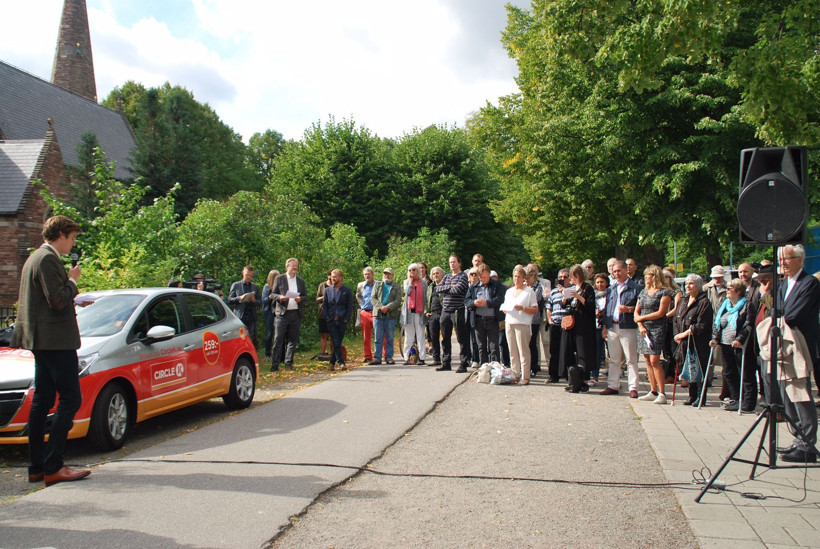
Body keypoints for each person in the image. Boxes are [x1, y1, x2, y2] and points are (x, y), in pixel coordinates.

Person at [11, 215, 91, 486]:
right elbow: (57, 300)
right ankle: (53, 465)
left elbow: (46, 301)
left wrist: (73, 299)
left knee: (42, 400)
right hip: (55, 341)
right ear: (61, 235)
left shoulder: (35, 257)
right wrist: (72, 281)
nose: (73, 243)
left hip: (42, 339)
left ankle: (36, 467)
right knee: (71, 398)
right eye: (72, 238)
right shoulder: (47, 259)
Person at [772, 245, 819, 463]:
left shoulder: (809, 283)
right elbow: (775, 311)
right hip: (783, 346)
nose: (782, 263)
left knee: (800, 393)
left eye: (786, 259)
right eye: (780, 259)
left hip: (801, 345)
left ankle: (808, 444)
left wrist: (778, 319)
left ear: (799, 259)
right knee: (786, 394)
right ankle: (797, 438)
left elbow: (792, 315)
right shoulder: (783, 284)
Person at [710, 278, 756, 412]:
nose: (726, 291)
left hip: (741, 345)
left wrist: (740, 339)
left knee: (746, 373)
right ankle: (735, 398)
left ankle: (748, 402)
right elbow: (717, 322)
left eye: (729, 289)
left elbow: (748, 324)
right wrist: (715, 338)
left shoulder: (747, 305)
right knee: (729, 373)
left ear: (738, 291)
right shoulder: (725, 304)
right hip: (725, 343)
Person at [601, 260, 641, 397]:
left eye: (619, 270)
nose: (616, 274)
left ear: (626, 270)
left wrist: (629, 309)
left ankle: (633, 387)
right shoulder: (611, 289)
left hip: (628, 327)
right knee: (613, 359)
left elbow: (641, 309)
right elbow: (607, 309)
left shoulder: (635, 288)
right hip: (613, 327)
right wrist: (605, 327)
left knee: (631, 359)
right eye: (614, 271)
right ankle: (613, 385)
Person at [672, 274, 714, 406]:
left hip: (698, 341)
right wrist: (677, 335)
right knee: (688, 366)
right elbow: (676, 319)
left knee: (699, 367)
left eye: (691, 284)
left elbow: (702, 324)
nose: (688, 286)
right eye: (686, 283)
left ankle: (701, 396)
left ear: (698, 285)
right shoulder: (683, 300)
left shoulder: (704, 302)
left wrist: (684, 334)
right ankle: (692, 394)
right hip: (683, 341)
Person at [634, 265, 674, 404]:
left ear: (655, 276)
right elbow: (636, 311)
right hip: (644, 329)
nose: (646, 278)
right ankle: (653, 390)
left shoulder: (665, 293)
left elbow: (661, 313)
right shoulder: (644, 292)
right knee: (647, 360)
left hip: (657, 327)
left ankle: (662, 393)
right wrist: (640, 325)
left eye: (648, 275)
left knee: (655, 360)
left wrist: (641, 319)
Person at [560, 264, 596, 392]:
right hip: (571, 324)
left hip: (584, 325)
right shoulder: (572, 288)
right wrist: (565, 295)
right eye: (572, 277)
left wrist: (578, 296)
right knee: (569, 351)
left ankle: (585, 380)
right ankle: (572, 380)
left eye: (575, 277)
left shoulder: (587, 288)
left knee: (583, 353)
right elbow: (563, 305)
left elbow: (591, 306)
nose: (573, 279)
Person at [501, 265, 538, 385]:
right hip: (509, 321)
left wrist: (522, 308)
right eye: (515, 276)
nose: (516, 279)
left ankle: (525, 376)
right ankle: (515, 373)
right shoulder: (509, 291)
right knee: (512, 350)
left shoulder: (529, 291)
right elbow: (506, 306)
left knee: (523, 351)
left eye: (519, 277)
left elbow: (535, 309)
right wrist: (505, 309)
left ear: (523, 278)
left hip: (523, 323)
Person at [435, 255, 471, 372]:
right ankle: (446, 362)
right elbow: (438, 289)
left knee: (461, 337)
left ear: (459, 263)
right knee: (445, 337)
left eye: (454, 262)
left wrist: (447, 288)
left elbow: (457, 290)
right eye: (450, 262)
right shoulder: (446, 276)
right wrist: (450, 286)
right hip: (445, 310)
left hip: (458, 310)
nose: (452, 264)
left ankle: (463, 363)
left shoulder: (463, 276)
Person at [271, 258, 307, 371]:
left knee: (292, 340)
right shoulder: (280, 278)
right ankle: (275, 364)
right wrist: (279, 297)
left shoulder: (300, 281)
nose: (295, 268)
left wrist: (300, 299)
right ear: (287, 267)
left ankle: (288, 363)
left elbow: (305, 296)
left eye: (296, 266)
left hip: (295, 313)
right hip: (282, 313)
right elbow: (272, 294)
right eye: (293, 266)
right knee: (278, 339)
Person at [465, 263, 503, 365]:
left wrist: (487, 302)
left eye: (485, 277)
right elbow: (467, 301)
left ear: (489, 274)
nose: (483, 279)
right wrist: (474, 303)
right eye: (481, 277)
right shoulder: (474, 287)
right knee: (481, 346)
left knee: (494, 346)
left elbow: (500, 299)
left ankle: (495, 369)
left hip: (492, 319)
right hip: (478, 320)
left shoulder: (497, 285)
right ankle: (483, 369)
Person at [323, 269, 353, 371]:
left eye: (335, 276)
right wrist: (327, 318)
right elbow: (325, 305)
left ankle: (332, 363)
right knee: (336, 341)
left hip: (342, 320)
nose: (332, 278)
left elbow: (349, 307)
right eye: (331, 276)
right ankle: (341, 362)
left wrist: (346, 319)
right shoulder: (327, 290)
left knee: (337, 342)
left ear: (340, 277)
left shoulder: (347, 291)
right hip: (331, 320)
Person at [370, 268, 401, 365]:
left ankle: (389, 357)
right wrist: (381, 307)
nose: (386, 275)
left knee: (390, 337)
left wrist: (388, 307)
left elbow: (398, 300)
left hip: (390, 314)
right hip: (378, 314)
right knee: (378, 337)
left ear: (392, 275)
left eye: (388, 274)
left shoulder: (396, 286)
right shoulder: (377, 284)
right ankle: (377, 358)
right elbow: (373, 298)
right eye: (385, 274)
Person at [545, 269, 570, 383]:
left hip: (567, 324)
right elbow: (548, 307)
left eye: (565, 277)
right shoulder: (553, 292)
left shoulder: (571, 290)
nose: (562, 279)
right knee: (553, 350)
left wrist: (564, 291)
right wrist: (549, 319)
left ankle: (567, 374)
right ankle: (553, 375)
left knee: (567, 350)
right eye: (560, 277)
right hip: (554, 323)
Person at [401, 263, 428, 364]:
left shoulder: (423, 283)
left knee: (420, 335)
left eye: (413, 270)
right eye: (409, 270)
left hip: (419, 312)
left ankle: (422, 358)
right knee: (409, 336)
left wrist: (425, 311)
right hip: (408, 312)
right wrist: (410, 283)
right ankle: (406, 357)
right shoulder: (406, 282)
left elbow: (425, 298)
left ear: (418, 271)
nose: (411, 272)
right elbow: (407, 293)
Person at [228, 266, 261, 343]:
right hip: (240, 316)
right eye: (247, 275)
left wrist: (254, 300)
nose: (248, 277)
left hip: (251, 316)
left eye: (250, 275)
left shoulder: (255, 287)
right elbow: (230, 300)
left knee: (250, 337)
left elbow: (260, 302)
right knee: (239, 337)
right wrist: (240, 298)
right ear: (243, 273)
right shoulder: (236, 285)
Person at [525, 265, 545, 377]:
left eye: (528, 277)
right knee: (525, 344)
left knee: (532, 344)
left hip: (534, 319)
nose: (526, 280)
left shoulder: (538, 287)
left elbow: (534, 300)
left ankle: (534, 367)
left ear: (534, 277)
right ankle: (525, 367)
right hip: (523, 319)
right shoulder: (523, 286)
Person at [356, 267, 376, 363]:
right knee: (365, 336)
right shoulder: (361, 285)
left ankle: (381, 354)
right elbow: (358, 296)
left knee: (380, 335)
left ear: (373, 274)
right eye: (365, 274)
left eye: (369, 274)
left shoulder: (378, 285)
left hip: (376, 312)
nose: (367, 276)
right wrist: (362, 305)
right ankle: (367, 356)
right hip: (365, 312)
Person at [426, 267, 445, 366]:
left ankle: (446, 359)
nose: (435, 275)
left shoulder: (446, 285)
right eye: (433, 274)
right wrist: (427, 311)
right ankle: (436, 358)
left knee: (445, 337)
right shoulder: (430, 287)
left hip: (443, 313)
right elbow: (427, 300)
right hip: (432, 314)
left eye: (437, 273)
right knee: (434, 338)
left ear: (442, 274)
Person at [593, 273, 610, 385]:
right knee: (597, 353)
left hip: (608, 326)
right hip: (596, 326)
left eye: (602, 282)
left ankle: (613, 377)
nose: (600, 284)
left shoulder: (610, 294)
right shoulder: (593, 295)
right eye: (598, 282)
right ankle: (595, 376)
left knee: (611, 354)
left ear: (606, 283)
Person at [261, 269, 281, 361]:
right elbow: (264, 300)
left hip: (278, 310)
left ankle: (277, 354)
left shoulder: (280, 287)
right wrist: (270, 296)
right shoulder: (267, 287)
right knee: (269, 333)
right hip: (269, 311)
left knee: (279, 334)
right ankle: (267, 354)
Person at [315, 269, 333, 356]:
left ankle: (334, 353)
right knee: (324, 334)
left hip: (334, 313)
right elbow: (317, 299)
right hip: (323, 313)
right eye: (330, 275)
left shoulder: (338, 285)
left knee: (334, 334)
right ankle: (322, 353)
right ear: (327, 275)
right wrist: (324, 296)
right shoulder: (322, 285)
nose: (331, 277)